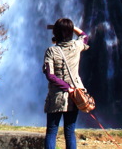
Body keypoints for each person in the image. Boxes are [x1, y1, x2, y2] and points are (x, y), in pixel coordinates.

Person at [42, 17, 90, 149]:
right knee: (70, 132)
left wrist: (65, 87)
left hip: (56, 96)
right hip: (75, 95)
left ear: (55, 33)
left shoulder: (51, 51)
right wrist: (72, 27)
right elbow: (84, 36)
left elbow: (50, 75)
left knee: (52, 132)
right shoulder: (76, 46)